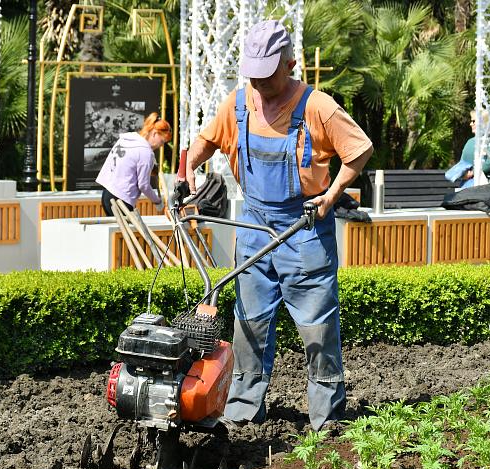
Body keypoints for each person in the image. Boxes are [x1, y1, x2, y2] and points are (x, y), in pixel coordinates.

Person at [184, 20, 373, 431]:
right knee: (248, 323)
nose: (259, 83)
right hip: (254, 225)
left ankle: (326, 417)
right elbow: (206, 141)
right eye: (253, 74)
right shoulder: (238, 103)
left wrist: (332, 195)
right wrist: (188, 169)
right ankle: (243, 411)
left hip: (303, 227)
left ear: (290, 64)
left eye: (267, 74)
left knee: (317, 327)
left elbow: (359, 150)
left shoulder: (318, 107)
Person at [96, 112, 172, 216]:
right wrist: (157, 201)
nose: (161, 145)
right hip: (121, 200)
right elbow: (143, 185)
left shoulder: (127, 140)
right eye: (162, 141)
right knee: (129, 227)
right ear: (155, 134)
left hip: (106, 194)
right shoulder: (145, 152)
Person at [445, 110, 490, 189]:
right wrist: (463, 174)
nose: (471, 124)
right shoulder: (470, 142)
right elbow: (462, 163)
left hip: (485, 185)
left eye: (473, 121)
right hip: (468, 185)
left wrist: (473, 172)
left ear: (483, 122)